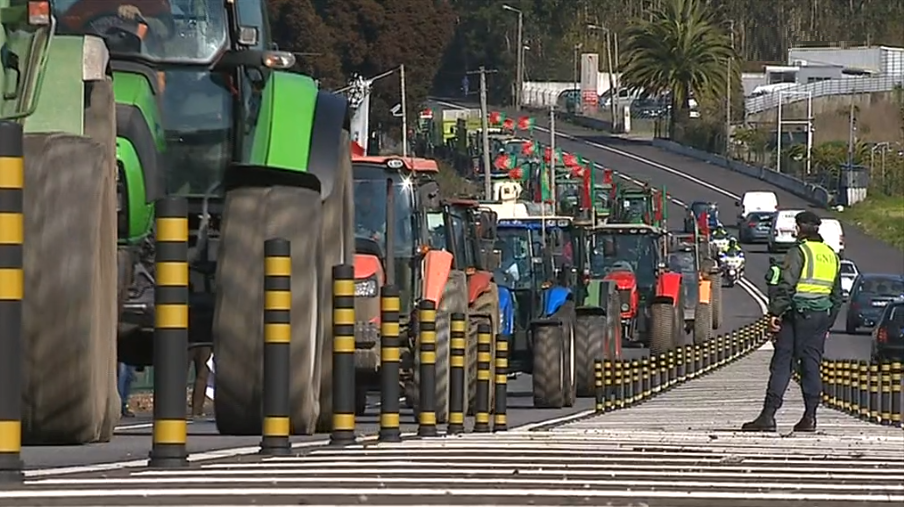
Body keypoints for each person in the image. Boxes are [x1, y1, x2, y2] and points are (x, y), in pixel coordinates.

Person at [741, 211, 841, 433]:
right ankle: (810, 417)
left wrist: (774, 313)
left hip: (797, 315)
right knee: (811, 365)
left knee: (782, 363)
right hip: (819, 318)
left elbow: (787, 286)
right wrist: (827, 324)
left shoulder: (799, 251)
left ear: (798, 229)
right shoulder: (831, 254)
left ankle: (768, 416)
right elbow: (837, 296)